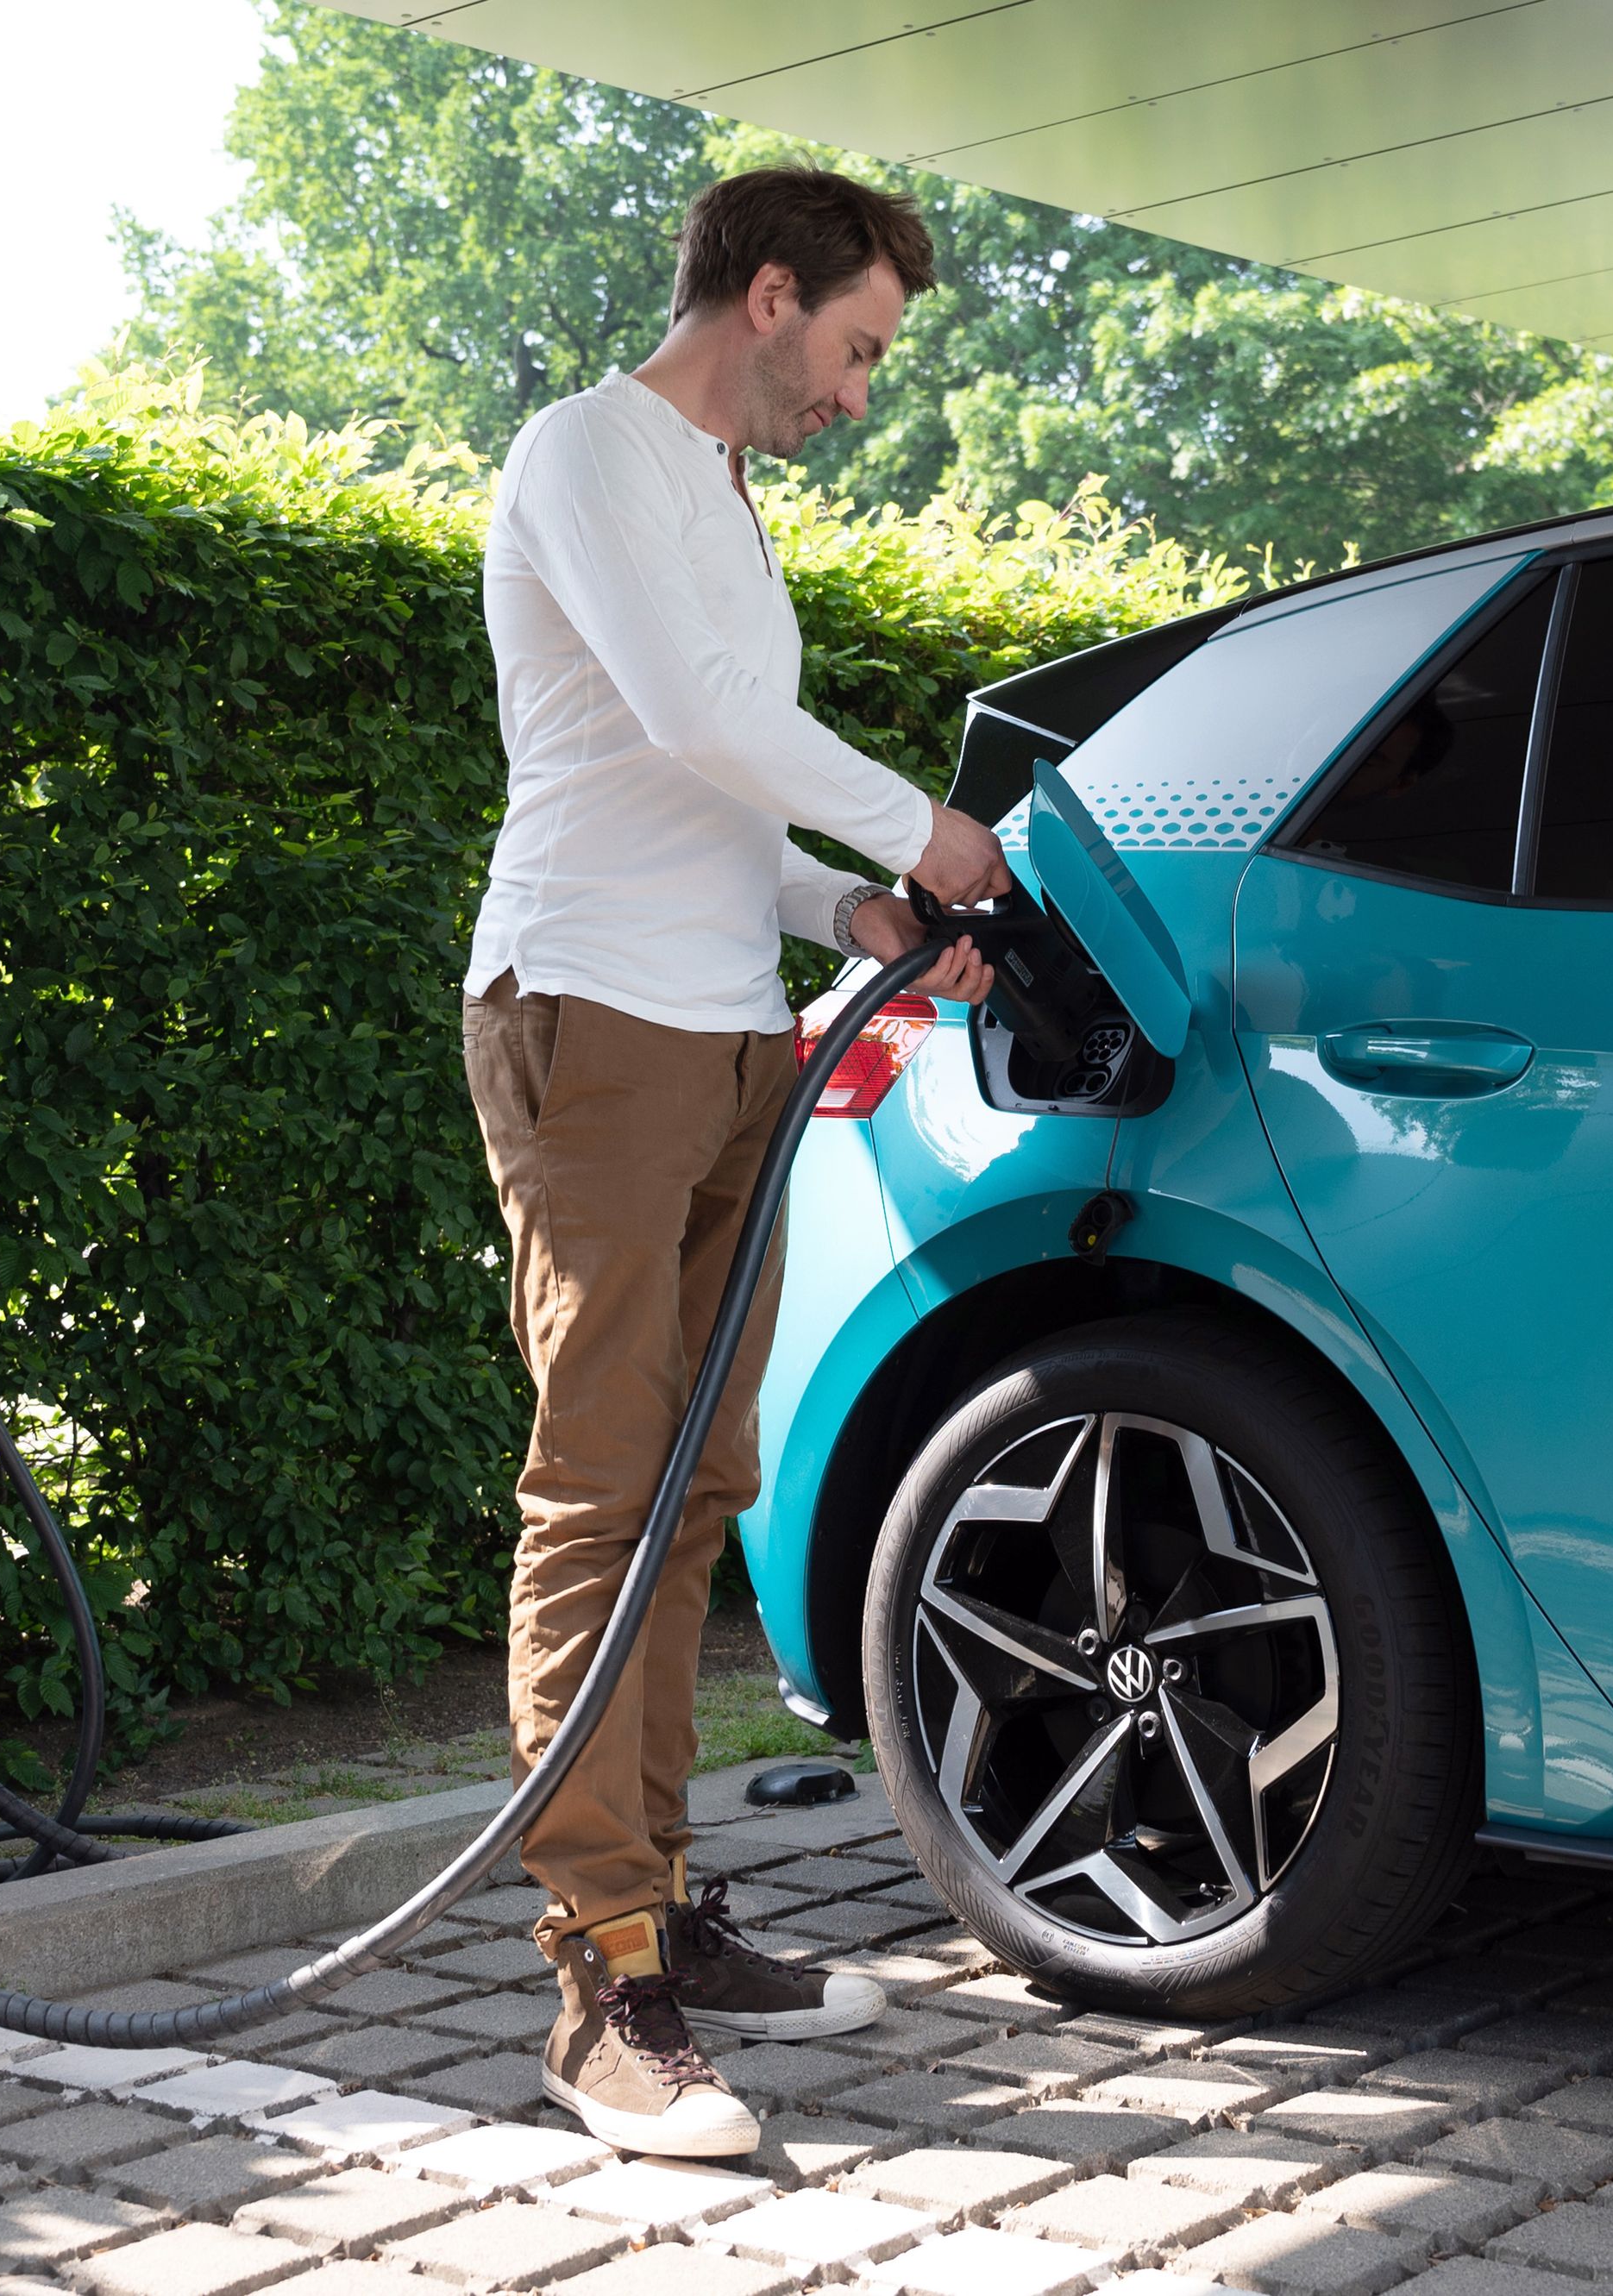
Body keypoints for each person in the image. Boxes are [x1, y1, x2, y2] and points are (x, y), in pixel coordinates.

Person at [460, 164, 1012, 2158]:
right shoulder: (586, 450)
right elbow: (698, 716)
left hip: (722, 1026)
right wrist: (921, 837)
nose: (856, 394)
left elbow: (691, 786)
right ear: (767, 294)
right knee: (597, 1481)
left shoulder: (715, 497)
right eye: (854, 347)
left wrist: (837, 910)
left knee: (697, 1478)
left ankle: (664, 1905)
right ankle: (594, 1979)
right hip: (587, 1010)